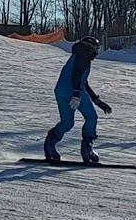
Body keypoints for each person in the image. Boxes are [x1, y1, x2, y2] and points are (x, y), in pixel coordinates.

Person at [43, 35, 113, 164]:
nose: (96, 52)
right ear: (90, 48)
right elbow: (76, 76)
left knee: (67, 122)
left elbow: (83, 81)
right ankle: (87, 149)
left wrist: (96, 100)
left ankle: (50, 146)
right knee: (91, 117)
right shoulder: (84, 56)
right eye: (96, 49)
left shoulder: (77, 55)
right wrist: (76, 93)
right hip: (73, 91)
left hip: (61, 91)